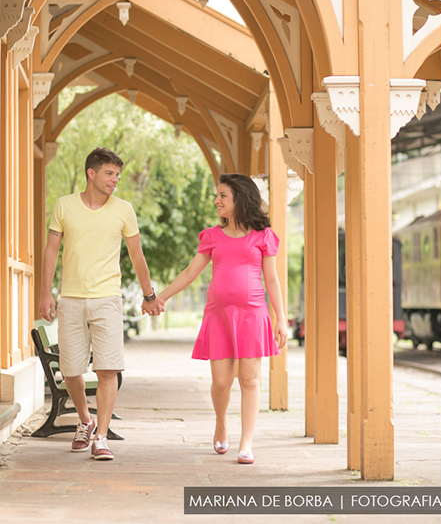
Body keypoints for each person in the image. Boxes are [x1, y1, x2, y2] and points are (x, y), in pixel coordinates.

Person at [38, 147, 162, 461]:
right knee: (71, 370)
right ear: (91, 173)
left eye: (117, 175)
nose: (114, 180)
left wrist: (149, 296)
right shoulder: (64, 206)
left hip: (108, 299)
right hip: (71, 299)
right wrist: (45, 293)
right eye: (109, 173)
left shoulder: (124, 209)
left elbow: (137, 256)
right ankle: (85, 421)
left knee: (108, 369)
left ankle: (102, 437)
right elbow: (51, 251)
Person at [156, 173, 288, 465]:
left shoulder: (263, 235)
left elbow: (273, 280)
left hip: (253, 315)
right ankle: (221, 424)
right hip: (218, 317)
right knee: (221, 382)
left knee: (250, 379)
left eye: (222, 195)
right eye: (217, 195)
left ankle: (246, 443)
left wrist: (282, 319)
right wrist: (161, 297)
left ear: (239, 198)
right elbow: (190, 273)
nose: (216, 200)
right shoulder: (212, 236)